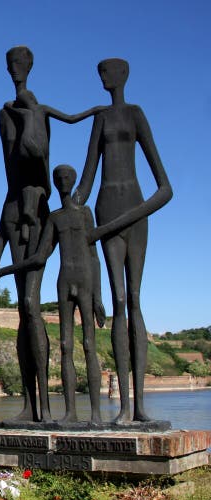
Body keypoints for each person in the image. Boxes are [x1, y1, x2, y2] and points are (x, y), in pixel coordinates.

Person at [0, 46, 104, 423]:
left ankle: (49, 408)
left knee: (33, 307)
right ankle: (30, 405)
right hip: (15, 208)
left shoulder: (35, 112)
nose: (14, 71)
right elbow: (9, 175)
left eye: (19, 66)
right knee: (24, 311)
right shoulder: (5, 114)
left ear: (28, 68)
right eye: (10, 66)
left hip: (36, 211)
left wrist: (29, 116)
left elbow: (37, 153)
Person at [73, 58, 172, 423]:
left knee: (134, 298)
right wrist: (66, 209)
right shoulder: (99, 119)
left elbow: (165, 187)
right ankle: (125, 407)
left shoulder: (135, 114)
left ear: (123, 75)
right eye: (98, 72)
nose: (102, 77)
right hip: (105, 208)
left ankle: (141, 404)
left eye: (108, 72)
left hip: (132, 209)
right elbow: (86, 178)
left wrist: (132, 215)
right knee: (117, 299)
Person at [0, 165, 106, 423]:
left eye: (67, 178)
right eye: (58, 178)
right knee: (65, 346)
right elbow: (39, 258)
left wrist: (98, 297)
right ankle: (70, 412)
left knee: (88, 344)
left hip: (85, 280)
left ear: (74, 181)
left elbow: (94, 256)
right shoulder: (54, 218)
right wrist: (1, 270)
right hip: (64, 282)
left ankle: (95, 414)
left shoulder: (86, 214)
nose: (63, 182)